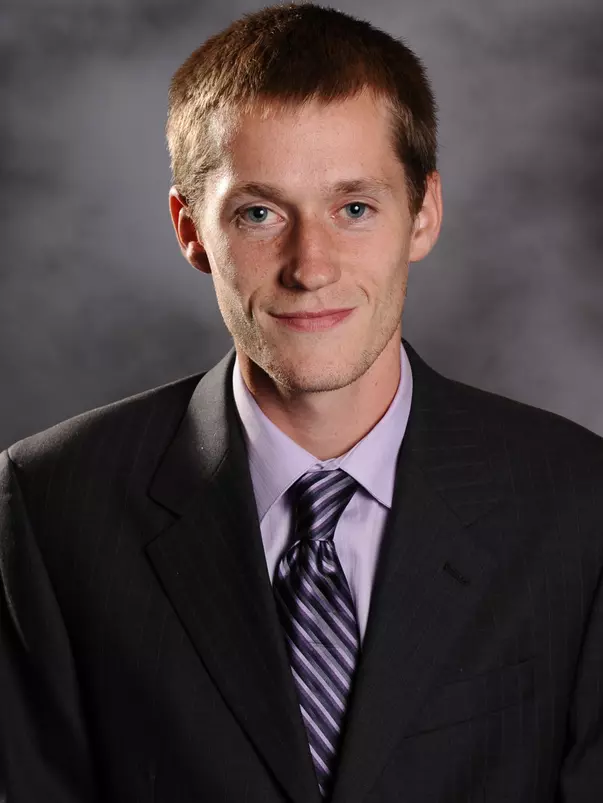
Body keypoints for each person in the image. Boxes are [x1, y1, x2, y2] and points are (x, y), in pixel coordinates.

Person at [1, 2, 602, 801]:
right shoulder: (50, 505)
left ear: (422, 213)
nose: (308, 265)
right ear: (190, 230)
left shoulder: (576, 500)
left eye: (354, 208)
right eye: (258, 213)